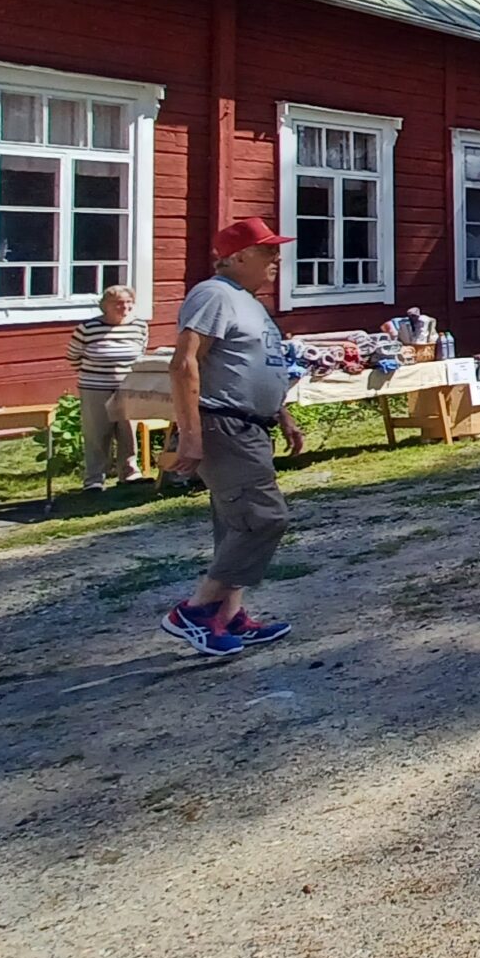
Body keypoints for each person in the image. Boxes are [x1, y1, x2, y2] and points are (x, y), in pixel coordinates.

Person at [161, 217, 305, 657]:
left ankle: (229, 614)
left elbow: (251, 364)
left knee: (236, 523)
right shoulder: (214, 295)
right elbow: (184, 364)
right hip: (222, 424)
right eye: (267, 250)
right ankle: (196, 611)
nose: (277, 258)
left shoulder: (249, 302)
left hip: (251, 424)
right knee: (264, 518)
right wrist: (190, 436)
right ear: (238, 257)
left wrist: (281, 414)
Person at [65, 282, 150, 490]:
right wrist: (96, 374)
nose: (124, 307)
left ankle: (129, 473)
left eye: (128, 302)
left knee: (127, 431)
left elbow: (140, 353)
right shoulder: (88, 328)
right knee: (97, 432)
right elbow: (73, 357)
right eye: (118, 303)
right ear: (105, 305)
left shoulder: (139, 326)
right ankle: (94, 479)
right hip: (95, 387)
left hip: (127, 387)